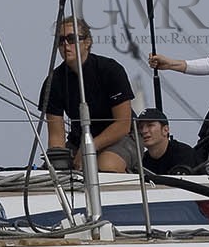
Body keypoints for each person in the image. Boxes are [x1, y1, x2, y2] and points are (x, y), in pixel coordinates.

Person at [40, 16, 139, 172]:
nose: (66, 45)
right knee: (51, 174)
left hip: (122, 137)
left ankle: (128, 172)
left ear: (87, 42)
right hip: (78, 141)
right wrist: (59, 162)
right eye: (60, 41)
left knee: (105, 166)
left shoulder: (110, 70)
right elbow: (56, 135)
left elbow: (123, 124)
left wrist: (89, 147)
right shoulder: (53, 82)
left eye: (71, 39)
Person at [135, 107, 197, 175]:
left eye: (150, 125)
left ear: (165, 130)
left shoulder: (184, 154)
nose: (144, 131)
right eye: (140, 127)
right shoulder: (141, 161)